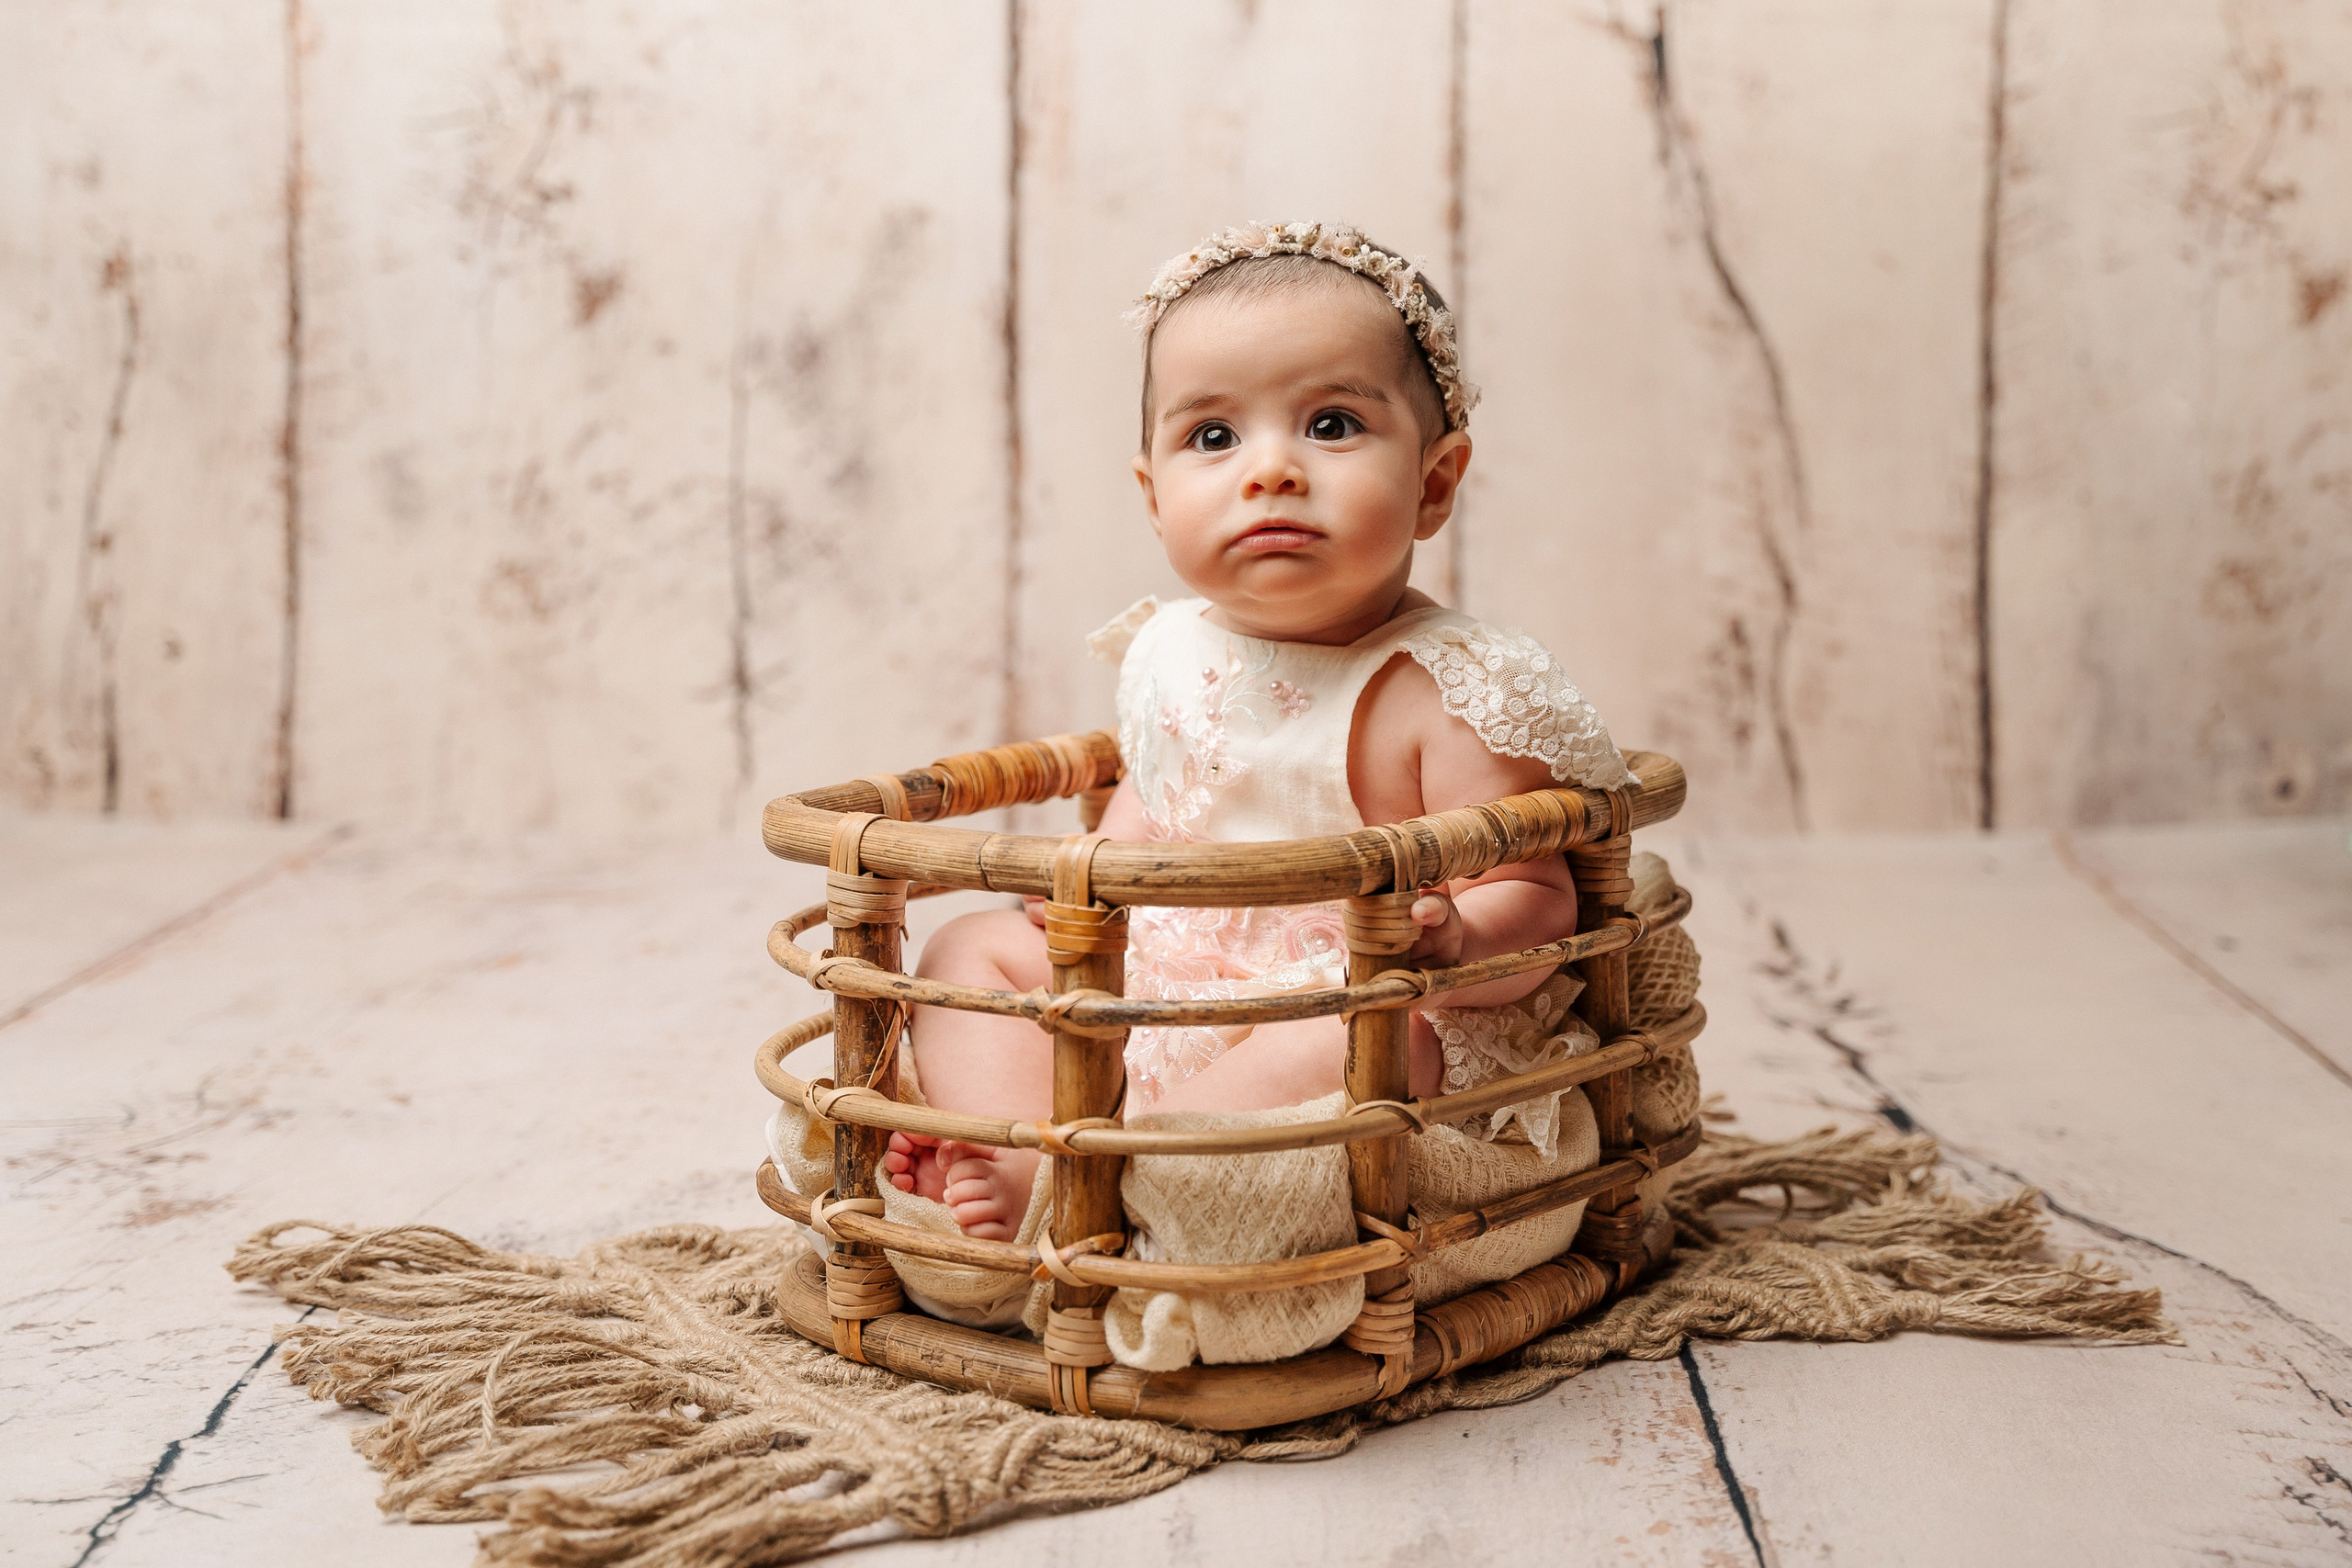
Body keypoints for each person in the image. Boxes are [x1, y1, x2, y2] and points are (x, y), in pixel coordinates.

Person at [887, 222, 1634, 1239]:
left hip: (1341, 993)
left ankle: (1115, 1172)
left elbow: (1538, 894)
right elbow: (1161, 798)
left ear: (1434, 484)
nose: (1271, 469)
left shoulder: (1451, 688)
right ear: (1154, 497)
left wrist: (1459, 941)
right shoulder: (1167, 649)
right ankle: (1019, 1151)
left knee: (1373, 1041)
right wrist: (1091, 885)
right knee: (967, 945)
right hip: (1169, 975)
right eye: (1213, 437)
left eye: (1331, 425)